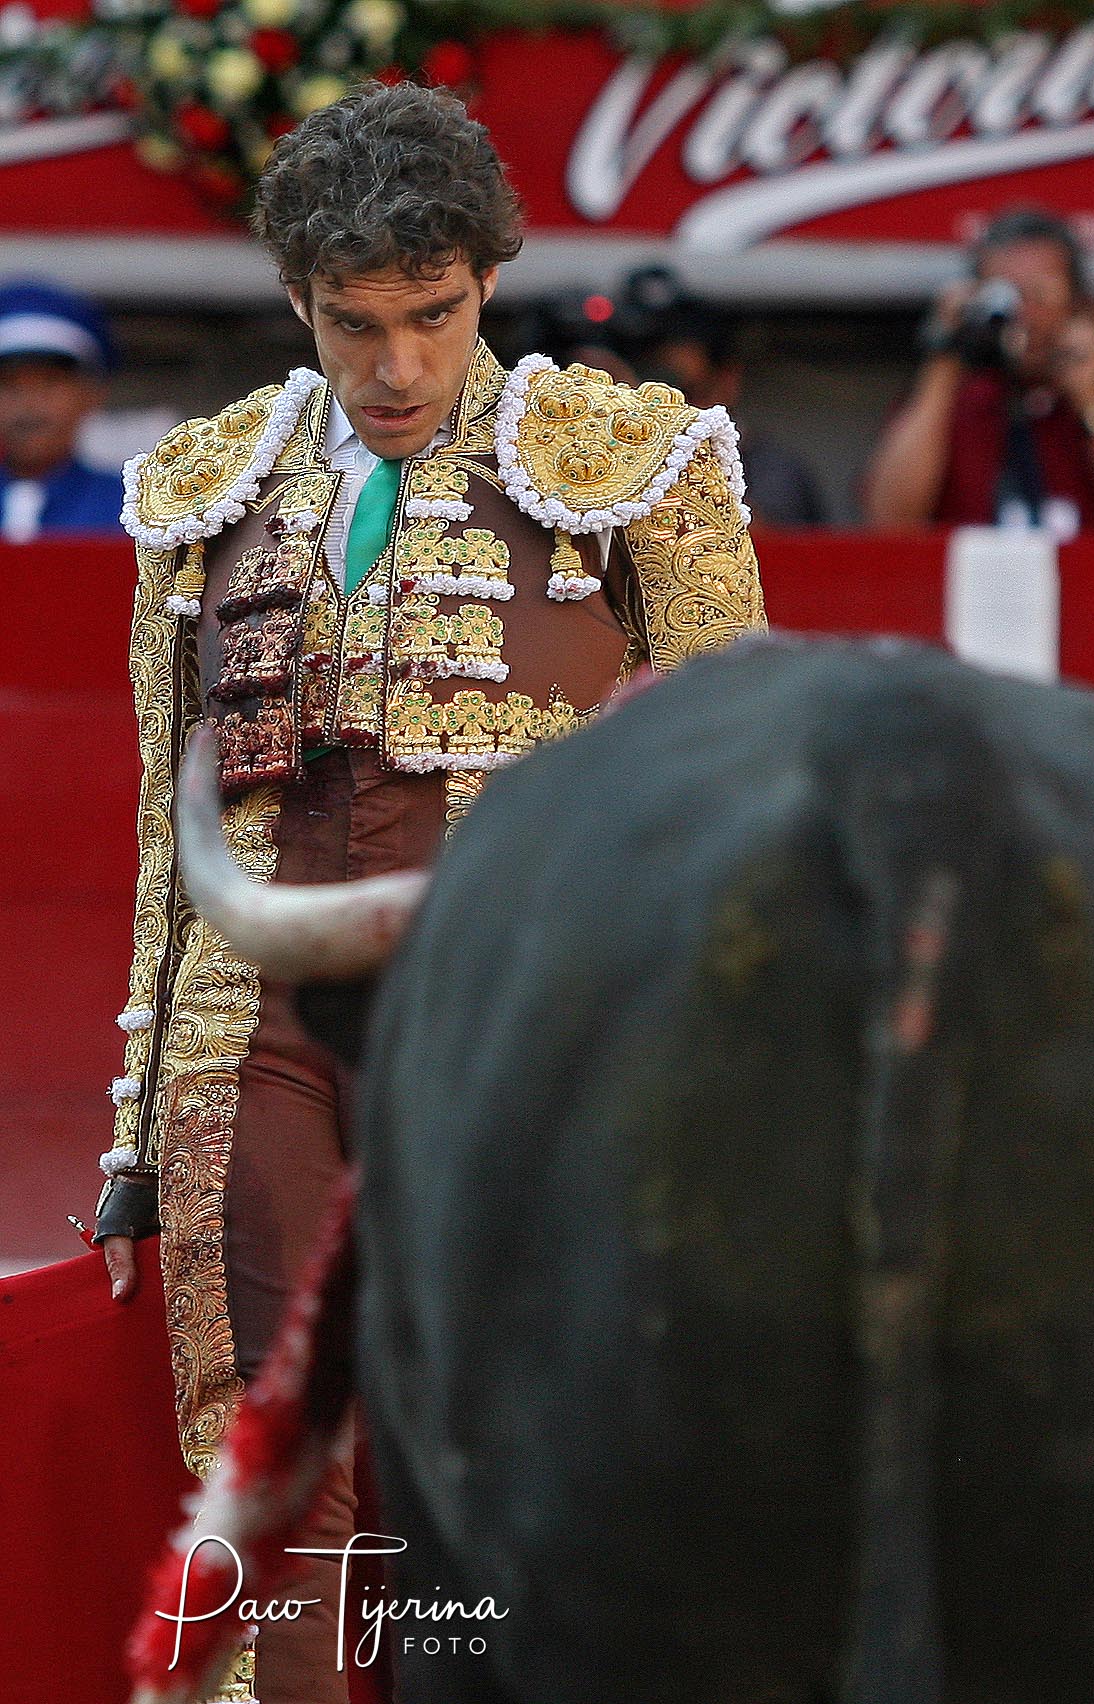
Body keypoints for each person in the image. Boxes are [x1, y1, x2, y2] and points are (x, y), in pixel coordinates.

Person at [91, 80, 764, 1704]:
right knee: (269, 1449)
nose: (394, 367)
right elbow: (161, 828)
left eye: (432, 315)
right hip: (250, 1037)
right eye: (353, 323)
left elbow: (745, 775)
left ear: (489, 276)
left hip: (526, 1029)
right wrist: (130, 1122)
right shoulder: (199, 491)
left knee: (516, 1435)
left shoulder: (635, 462)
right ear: (295, 304)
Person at [862, 208, 1094, 537]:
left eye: (1040, 294)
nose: (1023, 314)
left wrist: (1090, 393)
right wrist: (946, 353)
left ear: (1081, 306)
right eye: (1004, 295)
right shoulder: (947, 410)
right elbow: (889, 521)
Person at [625, 266, 828, 526]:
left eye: (679, 393)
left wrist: (658, 453)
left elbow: (757, 547)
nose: (659, 409)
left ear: (727, 382)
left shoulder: (771, 468)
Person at [0, 279, 124, 541]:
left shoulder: (133, 511)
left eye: (50, 382)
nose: (29, 403)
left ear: (92, 394)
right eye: (9, 384)